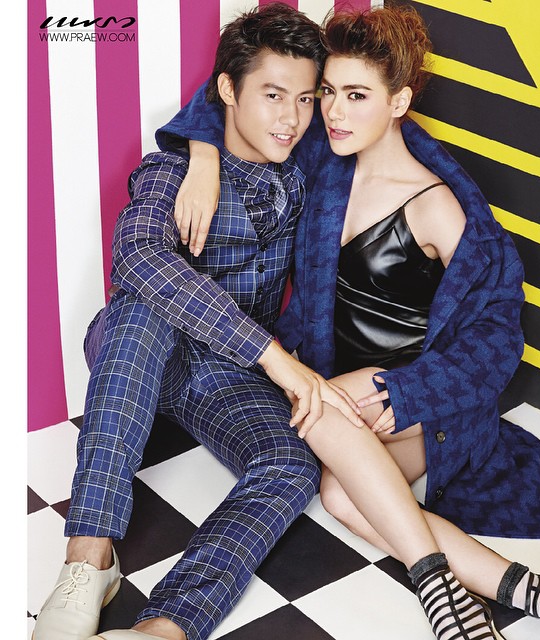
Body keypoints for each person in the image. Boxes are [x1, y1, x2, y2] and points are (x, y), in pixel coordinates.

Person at [158, 5, 540, 640]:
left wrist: (408, 392)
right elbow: (227, 98)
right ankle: (537, 589)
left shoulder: (436, 204)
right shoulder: (323, 159)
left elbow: (498, 333)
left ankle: (436, 593)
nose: (333, 112)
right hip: (347, 399)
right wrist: (203, 158)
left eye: (357, 95)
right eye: (327, 92)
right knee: (339, 494)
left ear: (398, 102)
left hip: (419, 404)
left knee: (315, 404)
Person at [31, 6, 368, 640]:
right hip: (143, 356)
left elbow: (372, 113)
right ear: (227, 92)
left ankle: (166, 625)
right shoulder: (173, 171)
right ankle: (88, 560)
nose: (292, 118)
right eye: (273, 95)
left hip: (225, 375)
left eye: (304, 99)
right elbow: (138, 256)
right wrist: (275, 357)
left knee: (292, 463)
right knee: (141, 309)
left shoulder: (301, 172)